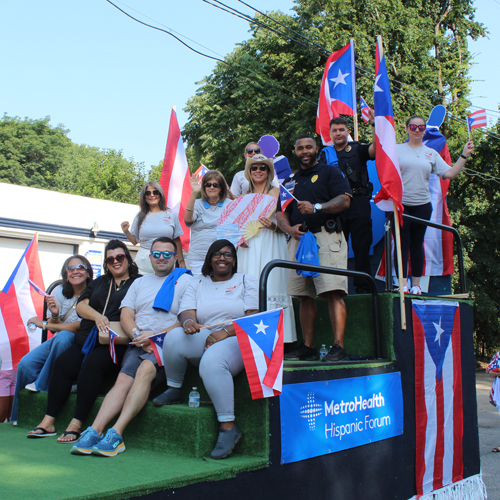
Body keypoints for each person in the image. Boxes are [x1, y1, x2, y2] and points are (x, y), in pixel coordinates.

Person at [71, 237, 193, 456]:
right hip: (138, 341)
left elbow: (186, 318)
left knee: (146, 369)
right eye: (157, 254)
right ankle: (95, 430)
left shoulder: (187, 281)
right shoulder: (140, 283)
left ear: (176, 257)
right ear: (150, 257)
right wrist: (137, 335)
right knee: (123, 379)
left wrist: (155, 337)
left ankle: (116, 434)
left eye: (167, 254)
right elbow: (127, 313)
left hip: (167, 342)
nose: (161, 258)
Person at [153, 239, 259, 460]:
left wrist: (226, 332)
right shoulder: (197, 282)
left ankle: (229, 427)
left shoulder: (246, 280)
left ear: (234, 260)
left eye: (228, 255)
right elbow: (186, 311)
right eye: (217, 254)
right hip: (206, 332)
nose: (222, 258)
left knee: (212, 361)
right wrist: (189, 322)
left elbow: (252, 317)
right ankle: (174, 388)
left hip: (238, 335)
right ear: (210, 259)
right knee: (173, 336)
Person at [27, 239, 139, 442]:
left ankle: (76, 424)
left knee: (92, 365)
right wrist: (97, 317)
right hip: (87, 338)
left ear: (127, 258)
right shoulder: (99, 282)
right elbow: (81, 306)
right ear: (106, 262)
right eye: (110, 258)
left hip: (115, 343)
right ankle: (48, 421)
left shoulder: (138, 282)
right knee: (62, 364)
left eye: (120, 257)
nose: (115, 261)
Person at [276, 135, 352, 362]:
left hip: (326, 238)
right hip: (299, 242)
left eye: (309, 147)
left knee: (333, 292)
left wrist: (318, 207)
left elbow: (345, 201)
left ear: (316, 149)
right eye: (300, 148)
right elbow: (281, 212)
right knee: (303, 295)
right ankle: (308, 346)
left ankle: (339, 347)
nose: (305, 151)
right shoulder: (290, 180)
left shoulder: (330, 172)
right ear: (295, 151)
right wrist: (289, 229)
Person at [396, 115, 474, 294]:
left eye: (421, 127)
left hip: (422, 205)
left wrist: (464, 155)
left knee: (417, 243)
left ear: (425, 130)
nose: (417, 131)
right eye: (413, 127)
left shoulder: (431, 153)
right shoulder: (397, 149)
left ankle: (416, 285)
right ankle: (402, 284)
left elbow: (450, 173)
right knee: (402, 243)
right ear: (407, 129)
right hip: (401, 205)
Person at [10, 255, 93, 424]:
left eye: (80, 267)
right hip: (58, 339)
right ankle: (18, 416)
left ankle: (42, 383)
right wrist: (54, 314)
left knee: (64, 335)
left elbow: (78, 326)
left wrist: (45, 325)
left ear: (88, 272)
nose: (76, 271)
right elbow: (55, 325)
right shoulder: (58, 291)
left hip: (79, 342)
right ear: (66, 273)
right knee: (25, 365)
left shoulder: (94, 293)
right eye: (71, 268)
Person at [237, 154, 297, 342]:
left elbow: (289, 221)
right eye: (254, 168)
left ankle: (281, 338)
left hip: (272, 241)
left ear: (269, 171)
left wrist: (274, 226)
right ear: (249, 172)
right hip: (249, 245)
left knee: (273, 284)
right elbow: (234, 225)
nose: (258, 171)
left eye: (263, 167)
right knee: (250, 284)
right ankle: (250, 338)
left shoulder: (280, 192)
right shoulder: (242, 198)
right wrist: (239, 238)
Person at [319, 114, 376, 294]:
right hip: (336, 206)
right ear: (330, 133)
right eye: (334, 130)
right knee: (336, 248)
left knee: (361, 245)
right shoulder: (324, 154)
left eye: (341, 130)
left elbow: (375, 150)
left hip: (358, 202)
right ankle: (337, 289)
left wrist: (374, 124)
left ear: (347, 132)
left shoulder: (357, 149)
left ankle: (363, 289)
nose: (338, 133)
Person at [121, 181, 185, 275]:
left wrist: (181, 261)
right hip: (144, 263)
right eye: (148, 193)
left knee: (165, 289)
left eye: (155, 192)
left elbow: (176, 240)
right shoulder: (139, 216)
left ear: (160, 194)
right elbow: (135, 241)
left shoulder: (171, 214)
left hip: (166, 259)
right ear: (144, 196)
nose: (152, 195)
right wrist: (126, 231)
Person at [185, 170, 231, 277]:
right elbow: (187, 220)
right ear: (204, 187)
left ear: (221, 188)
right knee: (200, 288)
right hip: (199, 258)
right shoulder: (196, 203)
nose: (211, 187)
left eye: (216, 185)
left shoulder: (230, 205)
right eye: (208, 184)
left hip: (222, 258)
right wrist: (194, 193)